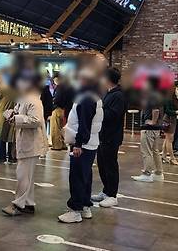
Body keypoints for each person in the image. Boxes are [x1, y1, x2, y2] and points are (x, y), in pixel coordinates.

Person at [58, 67, 103, 223]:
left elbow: (84, 124)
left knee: (77, 177)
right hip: (89, 144)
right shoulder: (93, 96)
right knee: (85, 176)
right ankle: (85, 206)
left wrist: (78, 144)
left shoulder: (86, 99)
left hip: (83, 145)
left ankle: (76, 209)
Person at [1, 71, 48, 217]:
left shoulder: (33, 99)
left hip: (31, 143)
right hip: (26, 141)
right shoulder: (23, 98)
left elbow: (36, 120)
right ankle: (29, 203)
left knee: (23, 175)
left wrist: (17, 119)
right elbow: (19, 114)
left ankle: (18, 204)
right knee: (27, 175)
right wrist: (12, 116)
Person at [91, 67, 126, 208]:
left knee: (110, 166)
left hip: (111, 136)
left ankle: (112, 195)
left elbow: (113, 115)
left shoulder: (119, 95)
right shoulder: (109, 93)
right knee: (102, 165)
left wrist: (98, 111)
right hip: (102, 135)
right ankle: (106, 191)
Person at [132, 76, 164, 182]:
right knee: (155, 151)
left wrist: (152, 122)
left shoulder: (152, 95)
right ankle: (159, 172)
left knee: (146, 151)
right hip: (156, 129)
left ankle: (147, 173)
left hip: (149, 128)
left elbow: (155, 110)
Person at [51, 75, 75, 150]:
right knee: (61, 128)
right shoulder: (69, 86)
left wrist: (54, 103)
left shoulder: (60, 87)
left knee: (55, 128)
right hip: (65, 110)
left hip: (58, 109)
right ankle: (63, 144)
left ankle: (57, 146)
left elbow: (57, 99)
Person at [161, 86, 178, 165]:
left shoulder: (172, 98)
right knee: (169, 140)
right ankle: (172, 158)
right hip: (169, 120)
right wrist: (176, 112)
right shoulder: (167, 99)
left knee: (167, 139)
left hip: (172, 119)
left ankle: (164, 155)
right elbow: (167, 110)